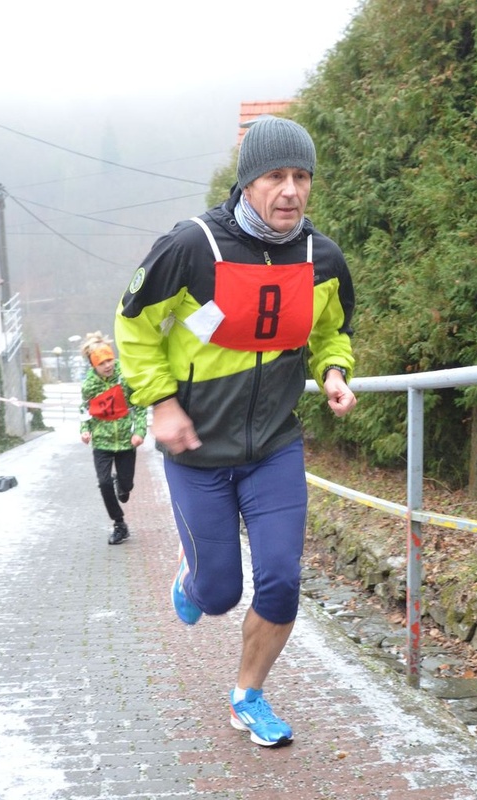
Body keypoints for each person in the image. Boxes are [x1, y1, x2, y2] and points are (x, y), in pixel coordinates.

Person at [114, 116, 357, 746]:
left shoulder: (322, 258)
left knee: (282, 579)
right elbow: (134, 325)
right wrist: (161, 403)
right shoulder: (193, 246)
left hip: (275, 446)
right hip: (197, 450)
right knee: (219, 594)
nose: (290, 190)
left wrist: (334, 371)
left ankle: (248, 696)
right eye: (275, 176)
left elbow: (332, 330)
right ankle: (194, 576)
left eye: (301, 176)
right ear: (247, 181)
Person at [79, 331, 147, 545]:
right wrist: (85, 429)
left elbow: (140, 405)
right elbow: (85, 409)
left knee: (126, 487)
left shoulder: (125, 377)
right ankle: (119, 524)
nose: (107, 365)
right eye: (101, 363)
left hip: (126, 441)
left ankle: (123, 485)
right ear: (93, 364)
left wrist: (140, 431)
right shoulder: (89, 385)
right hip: (102, 442)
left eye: (109, 359)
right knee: (104, 482)